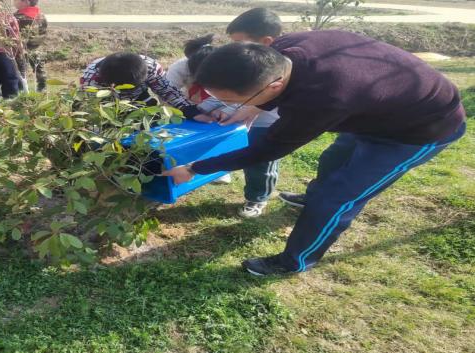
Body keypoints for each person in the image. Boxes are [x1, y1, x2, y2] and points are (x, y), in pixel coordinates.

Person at [162, 31, 466, 275]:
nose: (234, 107)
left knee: (335, 197)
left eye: (236, 101)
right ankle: (311, 200)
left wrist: (193, 168)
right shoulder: (284, 49)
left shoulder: (323, 99)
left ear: (274, 84)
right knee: (332, 159)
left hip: (419, 128)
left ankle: (295, 261)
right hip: (377, 107)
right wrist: (251, 107)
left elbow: (267, 148)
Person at [166, 31, 281, 217]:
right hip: (239, 109)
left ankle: (257, 198)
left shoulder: (244, 70)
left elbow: (239, 98)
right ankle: (218, 168)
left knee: (260, 159)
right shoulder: (183, 69)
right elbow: (217, 98)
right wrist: (205, 110)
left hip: (265, 118)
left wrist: (227, 110)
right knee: (226, 144)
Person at [80, 52, 211, 122]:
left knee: (152, 123)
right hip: (109, 104)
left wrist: (191, 111)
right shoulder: (91, 79)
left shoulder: (150, 66)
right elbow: (92, 109)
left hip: (141, 98)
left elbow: (166, 90)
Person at [13, 0, 48, 92]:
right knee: (39, 67)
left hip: (21, 48)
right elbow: (44, 32)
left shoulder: (19, 17)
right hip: (37, 47)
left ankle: (20, 88)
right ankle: (42, 86)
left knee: (20, 68)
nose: (13, 1)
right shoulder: (41, 15)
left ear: (26, 2)